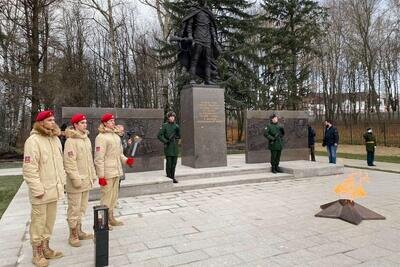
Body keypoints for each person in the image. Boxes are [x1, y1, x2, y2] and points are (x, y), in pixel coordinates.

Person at [23, 110, 65, 267]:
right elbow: (29, 169)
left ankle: (46, 248)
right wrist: (37, 190)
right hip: (41, 192)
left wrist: (62, 183)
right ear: (41, 123)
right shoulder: (33, 141)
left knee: (49, 222)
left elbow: (59, 165)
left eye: (54, 120)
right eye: (49, 120)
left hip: (54, 190)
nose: (53, 122)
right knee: (38, 223)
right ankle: (37, 253)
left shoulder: (54, 139)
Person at [94, 113, 135, 229]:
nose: (113, 122)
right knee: (106, 198)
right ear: (105, 123)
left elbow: (120, 154)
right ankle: (103, 221)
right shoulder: (101, 137)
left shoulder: (116, 137)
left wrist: (127, 160)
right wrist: (101, 176)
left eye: (113, 121)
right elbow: (99, 158)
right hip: (107, 172)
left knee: (113, 197)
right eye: (110, 121)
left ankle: (111, 218)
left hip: (116, 171)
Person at [63, 113, 97, 247]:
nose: (85, 125)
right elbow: (69, 163)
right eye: (82, 123)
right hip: (76, 182)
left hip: (86, 180)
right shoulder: (71, 141)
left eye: (85, 122)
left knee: (82, 208)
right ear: (75, 125)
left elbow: (90, 160)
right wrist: (76, 179)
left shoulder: (86, 139)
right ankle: (73, 234)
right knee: (74, 209)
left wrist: (93, 174)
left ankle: (79, 230)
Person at [158, 111, 180, 183]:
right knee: (169, 163)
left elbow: (179, 136)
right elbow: (159, 135)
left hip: (175, 147)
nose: (172, 118)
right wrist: (165, 141)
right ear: (168, 117)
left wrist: (177, 134)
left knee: (174, 163)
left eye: (173, 116)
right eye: (171, 116)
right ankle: (169, 177)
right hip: (168, 146)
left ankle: (173, 177)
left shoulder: (176, 126)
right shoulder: (165, 126)